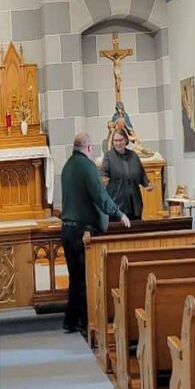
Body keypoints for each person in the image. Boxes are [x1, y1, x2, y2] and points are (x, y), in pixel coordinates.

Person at [60, 132, 130, 337]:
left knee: (75, 277)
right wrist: (118, 213)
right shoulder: (87, 167)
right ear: (89, 148)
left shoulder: (67, 167)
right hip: (82, 231)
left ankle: (70, 321)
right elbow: (100, 195)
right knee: (84, 278)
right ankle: (83, 321)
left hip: (67, 229)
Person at [102, 128, 153, 220]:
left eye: (120, 140)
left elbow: (141, 174)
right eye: (115, 141)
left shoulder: (133, 155)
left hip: (135, 203)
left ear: (126, 140)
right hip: (117, 204)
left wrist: (147, 183)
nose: (118, 143)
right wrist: (103, 180)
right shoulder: (109, 157)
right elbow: (103, 174)